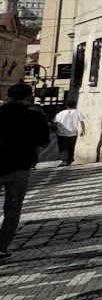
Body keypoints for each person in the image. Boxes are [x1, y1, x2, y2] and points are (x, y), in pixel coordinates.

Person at [0, 82, 52, 259]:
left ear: (9, 96)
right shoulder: (36, 117)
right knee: (13, 210)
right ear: (29, 97)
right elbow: (44, 141)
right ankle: (2, 247)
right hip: (20, 167)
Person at [52, 100, 84, 166]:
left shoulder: (61, 113)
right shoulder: (77, 112)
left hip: (62, 132)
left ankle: (64, 160)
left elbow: (55, 122)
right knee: (71, 146)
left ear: (66, 106)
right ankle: (70, 159)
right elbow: (81, 122)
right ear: (75, 105)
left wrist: (55, 130)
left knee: (63, 147)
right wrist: (83, 130)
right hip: (73, 132)